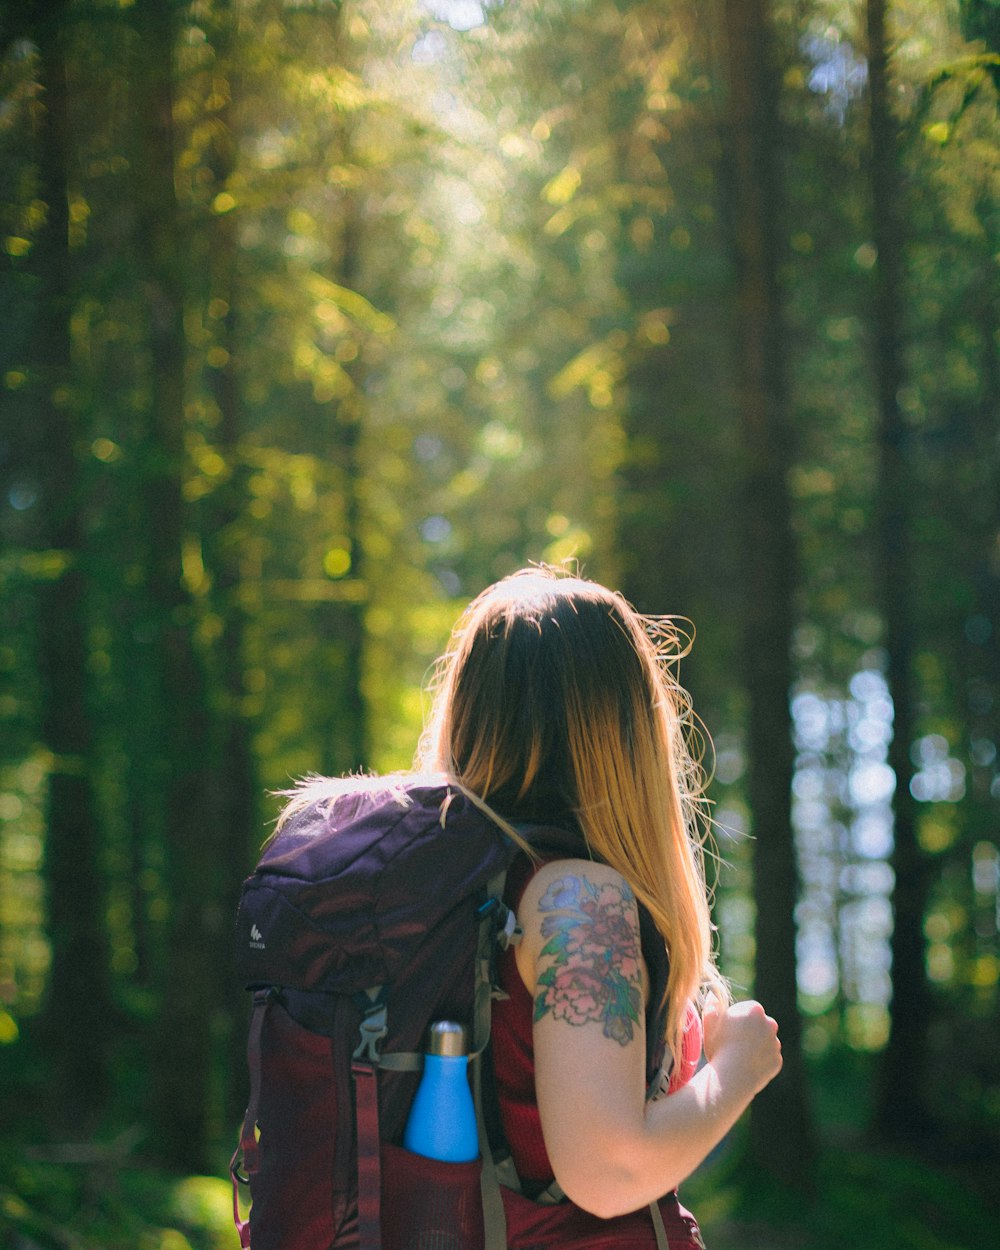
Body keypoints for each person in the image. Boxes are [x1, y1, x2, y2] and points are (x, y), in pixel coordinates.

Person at [411, 565, 783, 1247]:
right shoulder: (579, 901)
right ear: (626, 727)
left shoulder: (440, 894)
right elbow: (610, 1171)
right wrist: (740, 1067)